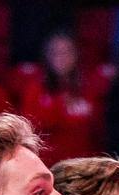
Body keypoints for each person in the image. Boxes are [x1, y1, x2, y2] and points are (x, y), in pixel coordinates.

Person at [19, 30, 105, 162]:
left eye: (67, 52)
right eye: (55, 52)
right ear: (46, 55)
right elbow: (29, 130)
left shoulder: (89, 88)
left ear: (76, 55)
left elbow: (98, 131)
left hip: (84, 166)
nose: (61, 57)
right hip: (49, 166)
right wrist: (59, 106)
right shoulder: (36, 89)